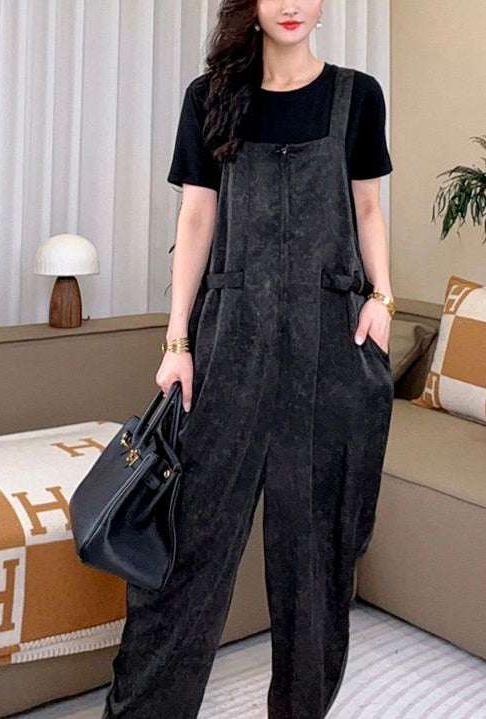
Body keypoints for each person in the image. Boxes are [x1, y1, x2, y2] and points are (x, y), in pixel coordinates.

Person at [102, 1, 395, 717]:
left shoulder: (357, 96)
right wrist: (177, 341)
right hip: (230, 342)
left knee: (317, 558)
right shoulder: (210, 98)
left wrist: (383, 297)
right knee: (187, 548)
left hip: (332, 349)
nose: (290, 4)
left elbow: (366, 209)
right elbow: (196, 216)